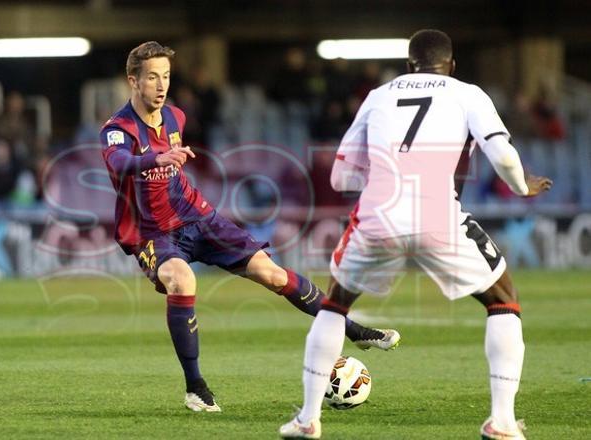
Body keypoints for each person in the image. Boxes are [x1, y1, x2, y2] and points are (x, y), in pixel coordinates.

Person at [99, 41, 400, 413]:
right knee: (182, 279)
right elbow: (119, 162)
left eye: (166, 77)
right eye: (152, 78)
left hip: (199, 217)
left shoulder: (176, 117)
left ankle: (356, 333)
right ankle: (195, 386)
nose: (161, 86)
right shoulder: (117, 128)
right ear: (133, 81)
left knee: (272, 275)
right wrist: (156, 158)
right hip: (152, 231)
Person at [279, 29, 552, 439]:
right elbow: (500, 152)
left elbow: (340, 176)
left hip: (377, 216)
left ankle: (307, 419)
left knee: (335, 305)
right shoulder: (468, 93)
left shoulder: (378, 96)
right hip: (439, 215)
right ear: (452, 66)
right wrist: (521, 186)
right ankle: (503, 421)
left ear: (408, 66)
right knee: (502, 300)